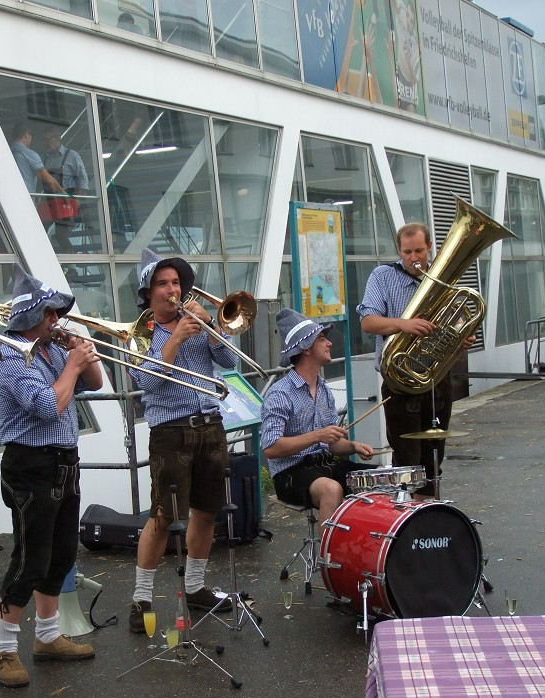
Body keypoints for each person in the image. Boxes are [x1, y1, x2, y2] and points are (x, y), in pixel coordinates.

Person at [0, 266, 104, 688]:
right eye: (51, 314)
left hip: (63, 461)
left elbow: (94, 381)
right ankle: (4, 649)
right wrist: (72, 365)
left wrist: (83, 354)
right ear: (31, 317)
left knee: (61, 554)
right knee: (29, 559)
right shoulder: (8, 355)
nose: (57, 321)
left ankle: (49, 635)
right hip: (29, 465)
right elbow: (47, 405)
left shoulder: (52, 351)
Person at [126, 248, 237, 632]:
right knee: (164, 515)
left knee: (207, 511)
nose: (172, 289)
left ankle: (195, 587)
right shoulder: (140, 333)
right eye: (163, 283)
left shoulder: (197, 321)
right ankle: (141, 600)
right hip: (170, 431)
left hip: (210, 424)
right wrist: (174, 339)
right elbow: (146, 381)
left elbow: (231, 363)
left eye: (176, 282)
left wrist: (213, 328)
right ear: (149, 292)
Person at [358, 222, 471, 497]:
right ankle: (406, 518)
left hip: (436, 379)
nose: (414, 258)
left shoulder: (442, 278)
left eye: (419, 250)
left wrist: (460, 340)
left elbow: (454, 324)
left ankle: (428, 517)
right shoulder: (382, 276)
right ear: (399, 250)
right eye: (407, 252)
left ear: (429, 247)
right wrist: (403, 324)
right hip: (400, 382)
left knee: (433, 460)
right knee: (406, 460)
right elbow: (368, 322)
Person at [261, 309, 375, 524]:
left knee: (379, 479)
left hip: (325, 464)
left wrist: (353, 446)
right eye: (322, 339)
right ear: (305, 348)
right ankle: (328, 557)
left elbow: (332, 445)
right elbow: (271, 448)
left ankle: (365, 551)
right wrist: (317, 436)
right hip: (290, 473)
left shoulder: (324, 389)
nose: (329, 343)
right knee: (331, 490)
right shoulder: (280, 393)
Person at [41, 126, 89, 254]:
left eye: (48, 139)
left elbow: (83, 180)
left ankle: (72, 266)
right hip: (50, 203)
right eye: (44, 140)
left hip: (67, 203)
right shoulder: (44, 159)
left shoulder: (71, 155)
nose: (46, 143)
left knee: (61, 235)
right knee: (39, 231)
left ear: (57, 139)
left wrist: (77, 200)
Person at [9, 121, 65, 200]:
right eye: (31, 136)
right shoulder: (29, 154)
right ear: (26, 135)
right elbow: (48, 180)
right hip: (26, 201)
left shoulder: (6, 154)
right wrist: (65, 195)